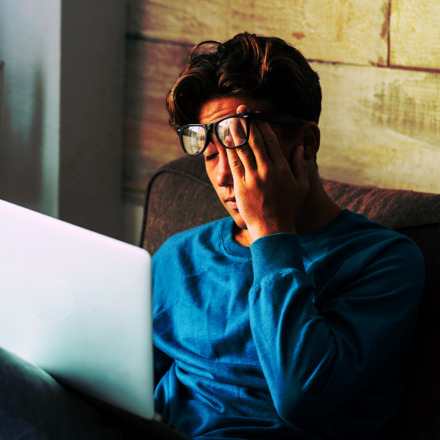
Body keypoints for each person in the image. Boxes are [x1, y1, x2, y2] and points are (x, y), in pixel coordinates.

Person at [152, 32, 425, 440]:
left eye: (242, 146)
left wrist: (270, 230)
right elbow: (119, 382)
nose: (224, 175)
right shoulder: (178, 256)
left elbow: (300, 395)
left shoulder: (383, 261)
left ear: (307, 141)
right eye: (211, 154)